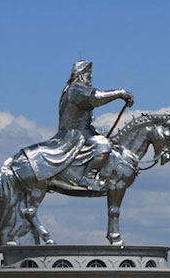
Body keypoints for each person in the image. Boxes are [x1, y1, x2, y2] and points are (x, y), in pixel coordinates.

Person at [22, 61, 134, 190]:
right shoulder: (76, 89)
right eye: (88, 73)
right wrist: (119, 93)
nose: (90, 77)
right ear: (81, 74)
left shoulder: (73, 89)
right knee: (103, 144)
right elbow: (96, 98)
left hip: (83, 131)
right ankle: (88, 178)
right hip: (75, 134)